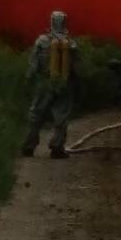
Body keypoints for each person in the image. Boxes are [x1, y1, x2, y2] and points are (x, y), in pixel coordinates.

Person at [21, 10, 79, 160]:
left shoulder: (42, 41)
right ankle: (57, 148)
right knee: (61, 116)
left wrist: (28, 80)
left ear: (51, 21)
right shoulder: (71, 43)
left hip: (45, 83)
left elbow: (33, 66)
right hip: (64, 84)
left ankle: (29, 146)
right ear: (65, 22)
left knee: (36, 114)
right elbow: (75, 68)